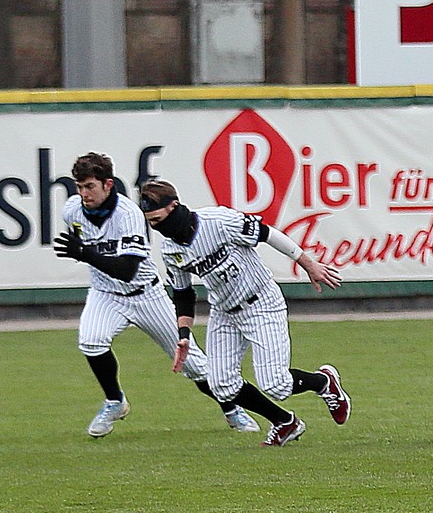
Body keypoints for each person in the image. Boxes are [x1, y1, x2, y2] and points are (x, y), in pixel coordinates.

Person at [56, 152, 256, 438]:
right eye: (79, 186)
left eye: (90, 186)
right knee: (91, 341)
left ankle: (231, 408)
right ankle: (115, 402)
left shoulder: (128, 215)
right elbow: (91, 250)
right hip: (105, 293)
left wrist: (85, 253)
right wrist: (85, 252)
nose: (83, 193)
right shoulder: (72, 210)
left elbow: (126, 269)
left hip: (145, 294)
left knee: (194, 365)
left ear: (108, 184)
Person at [138, 179, 350, 447]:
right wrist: (183, 335)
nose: (157, 227)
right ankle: (285, 422)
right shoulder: (170, 249)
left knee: (277, 385)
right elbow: (183, 293)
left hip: (261, 303)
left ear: (174, 206)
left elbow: (267, 233)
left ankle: (324, 382)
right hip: (224, 312)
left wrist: (307, 264)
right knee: (221, 385)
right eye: (150, 222)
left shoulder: (218, 220)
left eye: (158, 219)